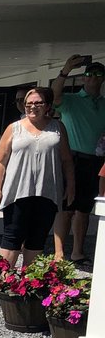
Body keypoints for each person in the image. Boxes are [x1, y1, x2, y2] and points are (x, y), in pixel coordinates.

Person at [0, 86, 75, 268]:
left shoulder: (58, 128)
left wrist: (71, 185)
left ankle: (27, 284)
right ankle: (3, 281)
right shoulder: (14, 128)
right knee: (13, 235)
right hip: (18, 190)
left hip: (48, 191)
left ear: (48, 105)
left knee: (37, 237)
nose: (32, 107)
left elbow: (66, 160)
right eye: (28, 103)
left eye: (38, 103)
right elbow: (0, 161)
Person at [52, 55, 105, 264]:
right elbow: (54, 95)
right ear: (83, 78)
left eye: (98, 74)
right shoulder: (71, 100)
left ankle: (77, 252)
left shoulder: (103, 104)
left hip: (96, 160)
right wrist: (65, 70)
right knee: (66, 208)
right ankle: (58, 253)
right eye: (90, 74)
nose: (94, 77)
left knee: (84, 209)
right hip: (72, 160)